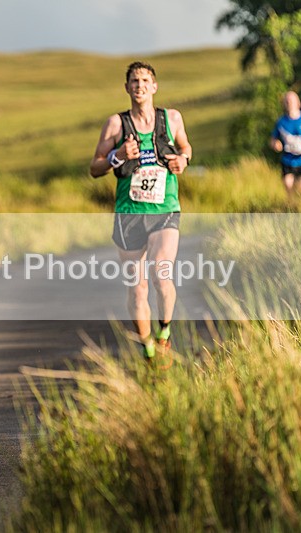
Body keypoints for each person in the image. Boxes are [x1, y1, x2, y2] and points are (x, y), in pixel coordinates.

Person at [90, 61, 192, 361]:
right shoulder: (115, 124)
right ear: (127, 88)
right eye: (134, 81)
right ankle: (147, 349)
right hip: (129, 213)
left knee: (162, 273)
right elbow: (95, 167)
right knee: (137, 288)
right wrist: (116, 155)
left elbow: (186, 148)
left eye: (145, 80)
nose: (140, 85)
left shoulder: (171, 119)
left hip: (165, 209)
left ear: (154, 86)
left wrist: (183, 160)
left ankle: (164, 332)